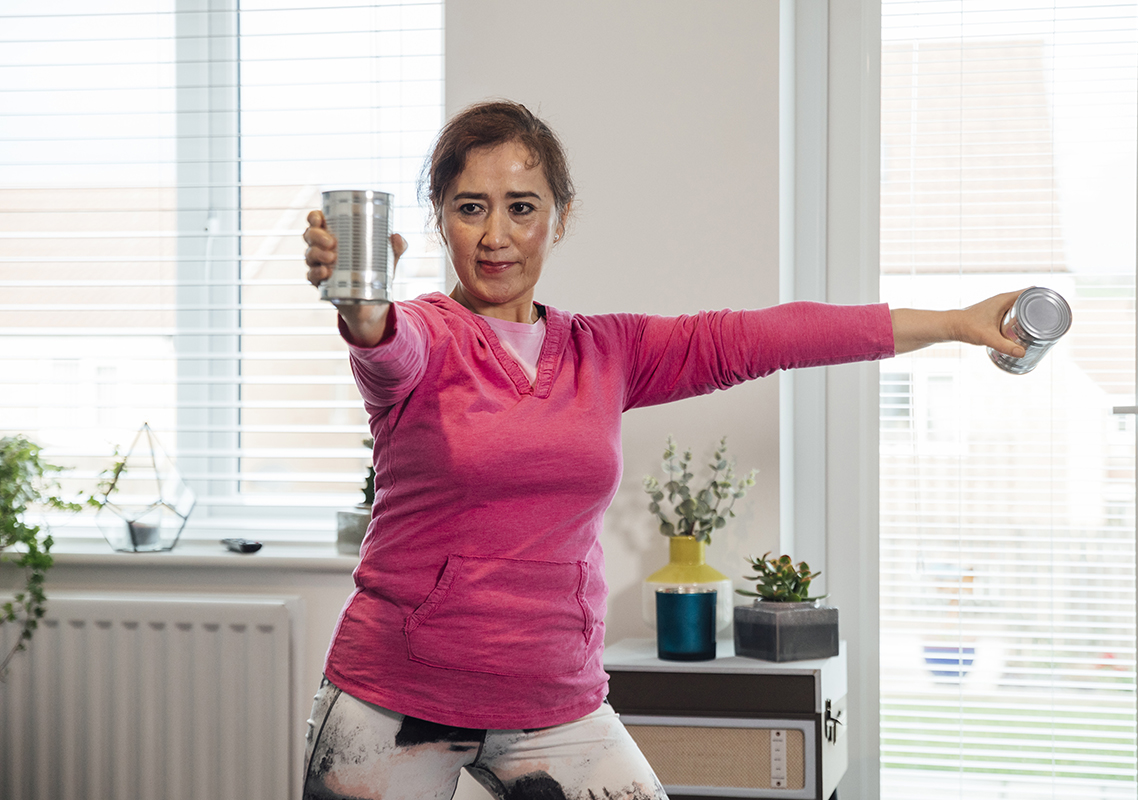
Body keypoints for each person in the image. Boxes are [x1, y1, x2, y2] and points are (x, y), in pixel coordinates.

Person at [299, 100, 1026, 800]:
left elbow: (766, 337)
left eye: (522, 206)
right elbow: (384, 343)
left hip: (551, 699)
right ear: (440, 220)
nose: (497, 236)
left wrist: (958, 322)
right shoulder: (426, 336)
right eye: (470, 207)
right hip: (395, 694)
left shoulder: (605, 353)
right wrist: (362, 305)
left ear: (560, 217)